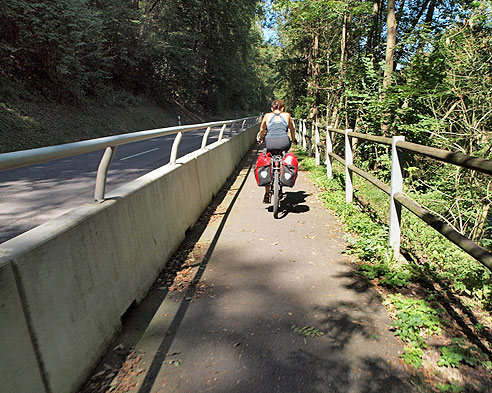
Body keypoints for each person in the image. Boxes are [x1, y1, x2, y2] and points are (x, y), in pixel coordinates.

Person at [258, 99, 297, 203]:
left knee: (268, 161)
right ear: (283, 108)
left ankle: (266, 193)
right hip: (284, 142)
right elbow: (292, 130)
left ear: (272, 108)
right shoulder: (287, 115)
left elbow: (262, 130)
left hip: (270, 143)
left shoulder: (267, 116)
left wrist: (261, 138)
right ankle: (283, 175)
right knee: (284, 157)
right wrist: (293, 139)